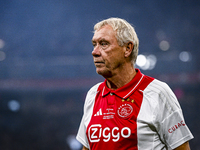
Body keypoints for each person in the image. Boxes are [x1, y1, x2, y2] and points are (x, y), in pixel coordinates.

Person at [76, 17, 194, 150]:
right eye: (94, 44)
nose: (95, 52)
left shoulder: (157, 93)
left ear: (127, 48)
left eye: (103, 44)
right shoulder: (93, 94)